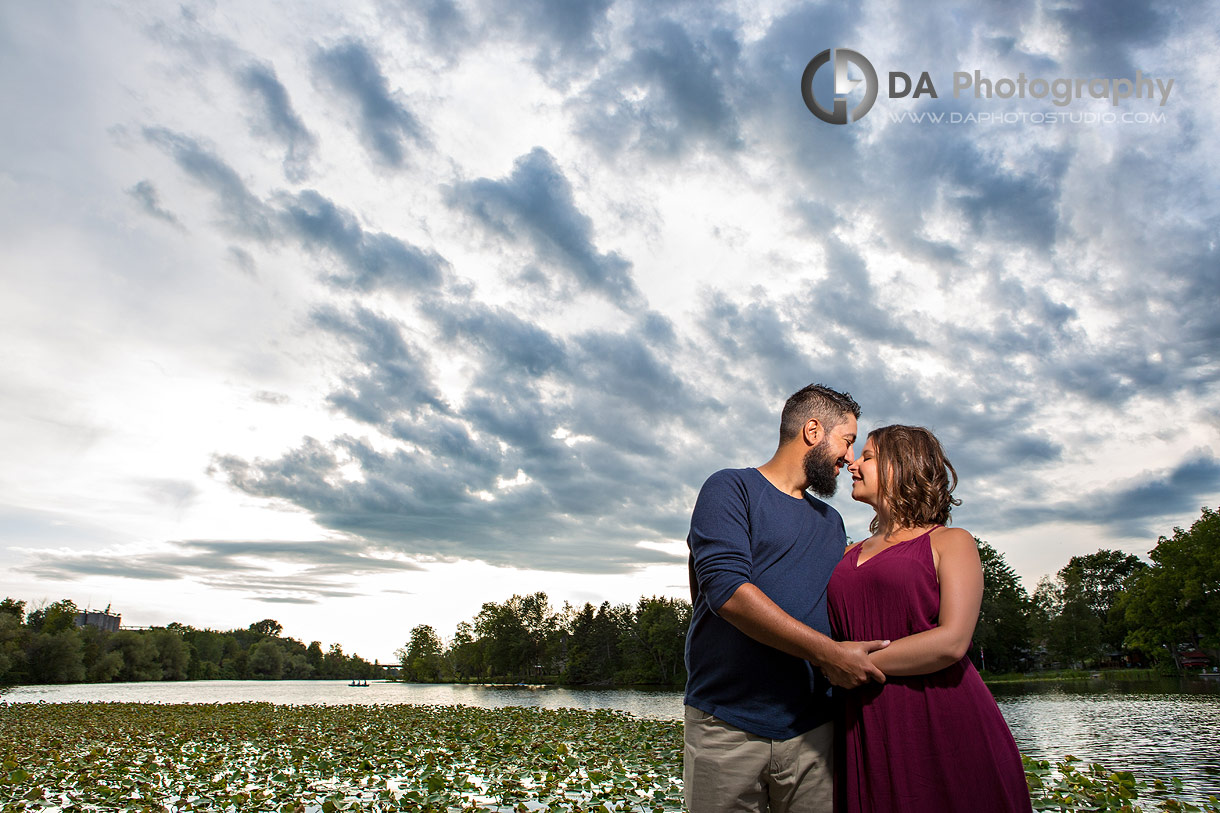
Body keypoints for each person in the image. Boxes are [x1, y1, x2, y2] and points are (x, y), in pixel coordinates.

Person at [684, 384, 891, 813]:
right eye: (847, 441)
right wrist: (829, 653)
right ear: (813, 431)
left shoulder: (831, 523)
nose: (849, 458)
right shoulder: (730, 488)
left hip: (814, 731)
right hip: (727, 726)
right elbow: (726, 591)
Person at [828, 425, 1032, 812]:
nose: (853, 464)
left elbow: (952, 641)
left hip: (938, 714)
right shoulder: (844, 553)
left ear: (903, 466)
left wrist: (848, 662)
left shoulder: (950, 542)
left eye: (868, 456)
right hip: (862, 719)